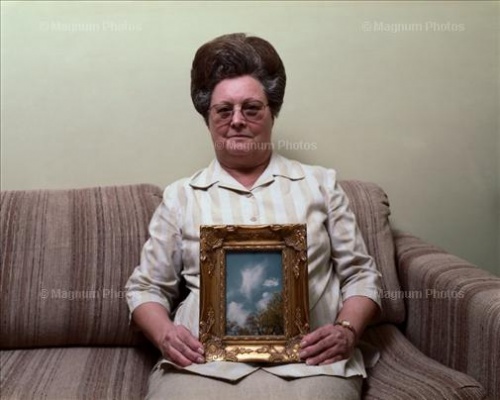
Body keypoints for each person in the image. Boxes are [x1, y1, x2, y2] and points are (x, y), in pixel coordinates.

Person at [126, 33, 381, 400]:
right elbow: (146, 288)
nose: (237, 121)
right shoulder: (181, 196)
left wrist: (346, 329)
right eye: (223, 110)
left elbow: (361, 275)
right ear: (207, 118)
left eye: (251, 108)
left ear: (272, 113)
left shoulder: (320, 185)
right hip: (203, 365)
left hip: (310, 364)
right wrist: (165, 334)